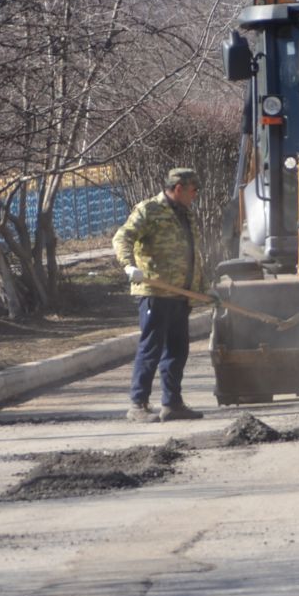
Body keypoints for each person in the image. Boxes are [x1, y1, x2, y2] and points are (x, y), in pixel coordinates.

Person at [113, 168, 206, 422]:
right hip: (155, 292)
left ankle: (172, 404)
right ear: (178, 188)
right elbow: (122, 238)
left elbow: (191, 254)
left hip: (180, 294)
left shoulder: (185, 214)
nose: (195, 195)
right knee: (151, 348)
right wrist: (128, 265)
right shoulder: (149, 210)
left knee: (178, 350)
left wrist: (202, 287)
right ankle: (137, 405)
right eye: (193, 190)